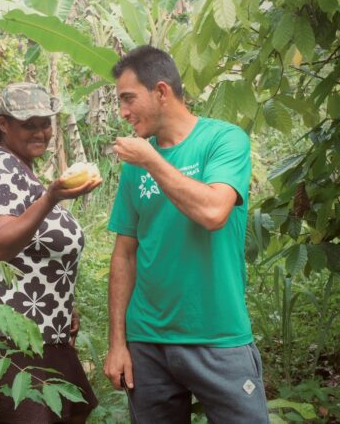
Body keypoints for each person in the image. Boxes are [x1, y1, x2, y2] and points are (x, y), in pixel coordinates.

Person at [102, 45, 269, 423]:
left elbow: (213, 212)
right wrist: (117, 343)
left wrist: (151, 161)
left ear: (161, 92)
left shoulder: (224, 140)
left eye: (129, 99)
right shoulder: (135, 165)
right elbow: (124, 253)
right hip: (148, 342)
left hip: (219, 337)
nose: (123, 112)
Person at [0, 82, 100, 423]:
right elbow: (1, 244)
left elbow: (32, 256)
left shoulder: (18, 170)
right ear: (3, 124)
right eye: (28, 124)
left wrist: (63, 306)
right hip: (6, 343)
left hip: (38, 337)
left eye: (45, 123)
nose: (40, 132)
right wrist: (51, 198)